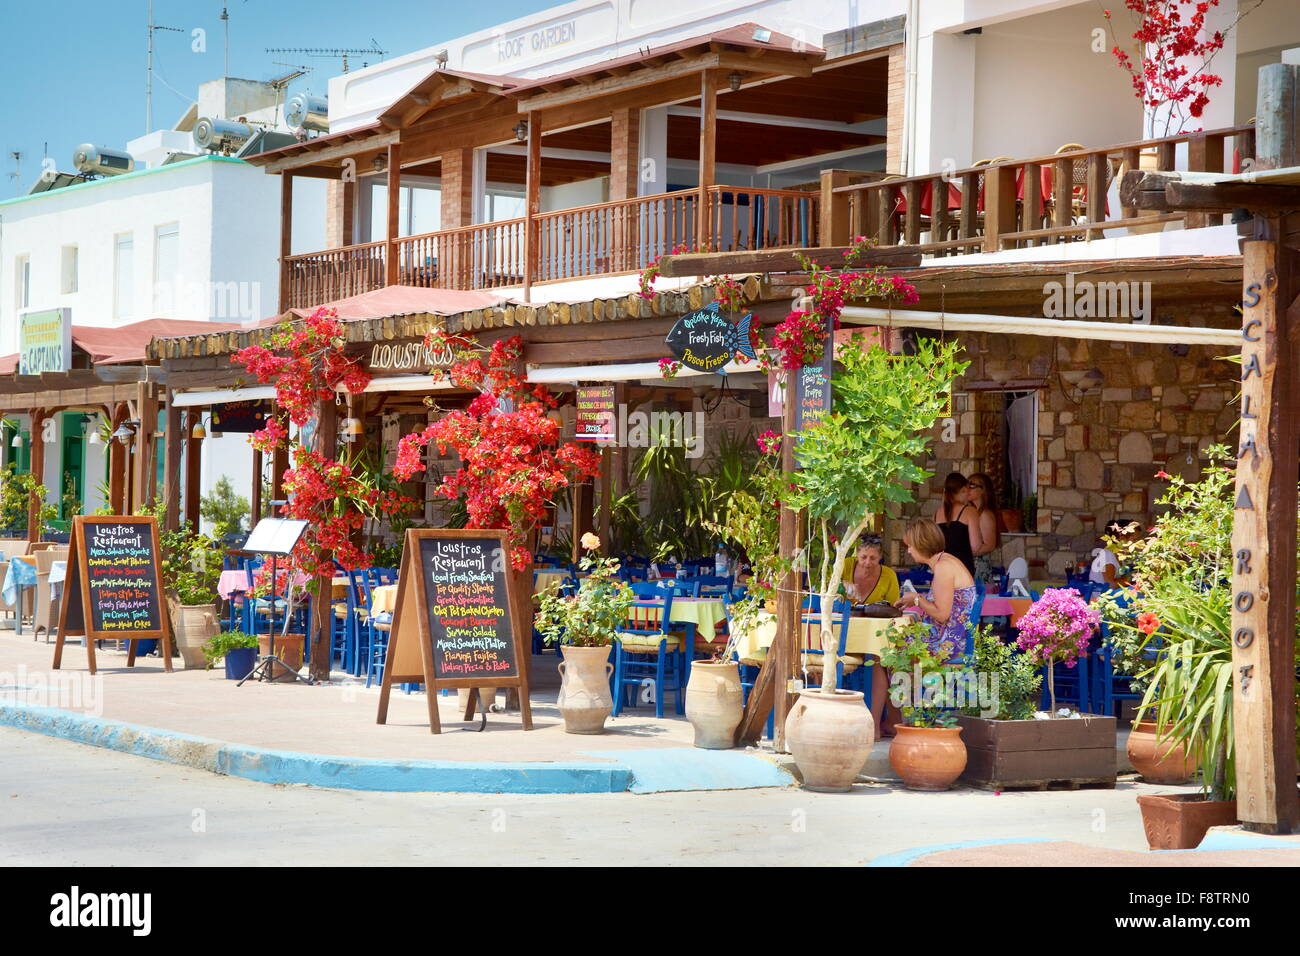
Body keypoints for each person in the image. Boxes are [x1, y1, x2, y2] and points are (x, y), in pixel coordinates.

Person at [893, 517, 978, 663]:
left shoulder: (943, 567)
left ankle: (905, 685)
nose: (908, 551)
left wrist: (916, 599)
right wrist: (915, 599)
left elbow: (941, 614)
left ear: (922, 544)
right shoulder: (946, 561)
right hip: (951, 637)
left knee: (889, 646)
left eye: (910, 545)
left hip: (947, 644)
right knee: (895, 639)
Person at [933, 472, 979, 578]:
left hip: (942, 568)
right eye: (968, 489)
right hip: (963, 568)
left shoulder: (937, 513)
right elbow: (975, 546)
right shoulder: (969, 511)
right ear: (963, 490)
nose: (969, 494)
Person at [966, 472, 1001, 590]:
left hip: (979, 569)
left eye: (972, 485)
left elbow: (989, 545)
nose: (967, 488)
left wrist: (965, 552)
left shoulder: (985, 514)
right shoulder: (973, 513)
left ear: (983, 490)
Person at [843, 536, 900, 605]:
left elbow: (894, 606)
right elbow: (827, 586)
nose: (868, 562)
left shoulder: (889, 575)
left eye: (873, 558)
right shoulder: (845, 565)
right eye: (863, 557)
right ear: (857, 554)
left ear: (880, 556)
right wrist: (841, 584)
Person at [1090, 519, 1137, 589]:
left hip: (1112, 594)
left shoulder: (1120, 556)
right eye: (1134, 538)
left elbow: (1120, 581)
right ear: (1122, 538)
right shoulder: (1107, 555)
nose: (1137, 542)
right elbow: (1111, 585)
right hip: (1102, 597)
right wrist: (1133, 580)